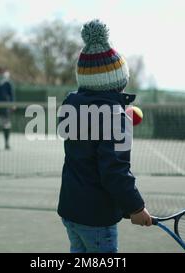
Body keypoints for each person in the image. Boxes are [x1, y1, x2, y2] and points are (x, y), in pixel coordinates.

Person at [57, 19, 152, 253]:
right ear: (119, 81)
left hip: (71, 210)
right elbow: (114, 172)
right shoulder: (115, 117)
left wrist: (118, 117)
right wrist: (136, 207)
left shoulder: (71, 108)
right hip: (96, 217)